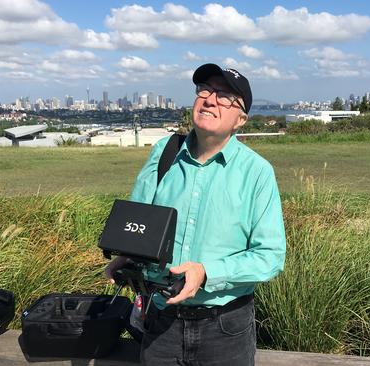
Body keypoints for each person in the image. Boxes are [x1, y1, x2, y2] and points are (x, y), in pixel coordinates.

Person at [105, 63, 286, 365]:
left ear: (240, 119)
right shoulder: (164, 153)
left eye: (225, 96)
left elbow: (270, 257)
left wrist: (206, 273)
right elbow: (139, 223)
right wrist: (127, 256)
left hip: (225, 328)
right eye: (205, 89)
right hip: (160, 319)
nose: (210, 99)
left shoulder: (257, 173)